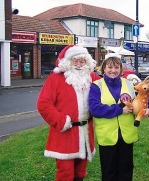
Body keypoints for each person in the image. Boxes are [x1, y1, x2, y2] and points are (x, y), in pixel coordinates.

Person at [37, 45, 101, 181]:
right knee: (65, 172)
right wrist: (60, 121)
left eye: (82, 61)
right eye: (75, 61)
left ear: (87, 62)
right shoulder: (56, 79)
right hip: (65, 133)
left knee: (80, 171)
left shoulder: (93, 78)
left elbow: (107, 90)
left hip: (85, 132)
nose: (79, 65)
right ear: (68, 62)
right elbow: (43, 104)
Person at [88, 53, 149, 181]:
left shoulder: (130, 84)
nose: (113, 70)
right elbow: (95, 108)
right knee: (109, 172)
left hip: (127, 135)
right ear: (103, 69)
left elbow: (146, 95)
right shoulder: (96, 86)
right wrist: (119, 109)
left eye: (116, 67)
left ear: (121, 69)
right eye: (110, 67)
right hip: (107, 136)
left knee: (126, 170)